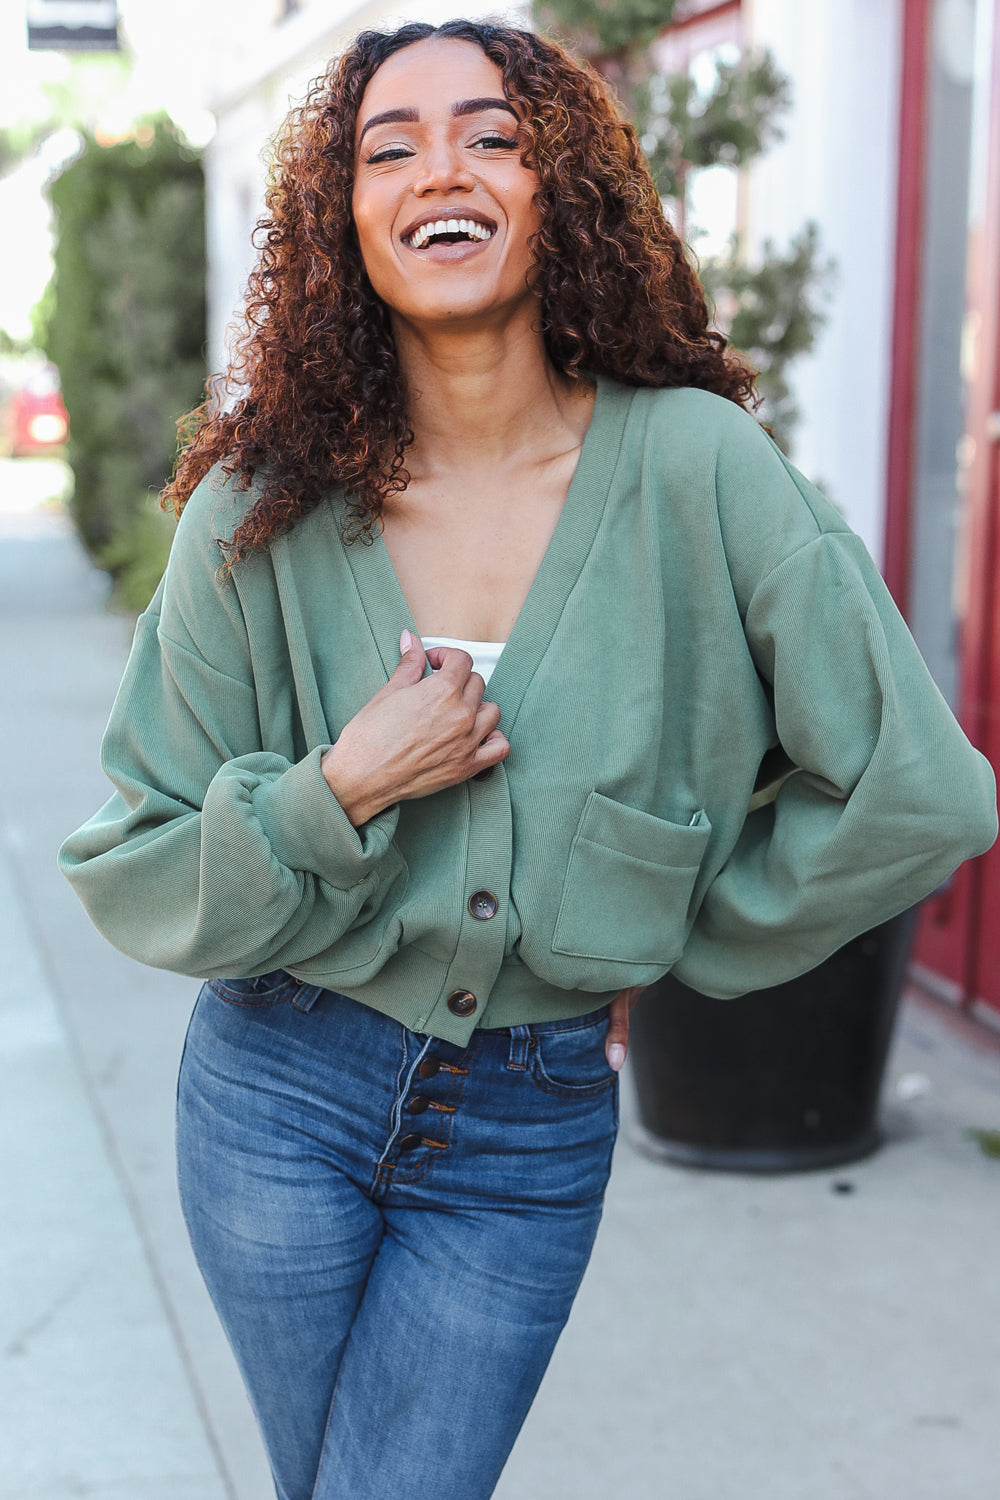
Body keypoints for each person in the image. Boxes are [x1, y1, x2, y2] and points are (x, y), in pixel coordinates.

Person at [59, 17, 996, 1500]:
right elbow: (133, 856)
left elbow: (917, 788)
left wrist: (676, 926)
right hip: (274, 1094)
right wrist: (337, 791)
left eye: (493, 135)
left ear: (562, 187)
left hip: (524, 1124)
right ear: (342, 219)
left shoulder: (699, 468)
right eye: (393, 146)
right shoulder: (263, 503)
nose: (446, 167)